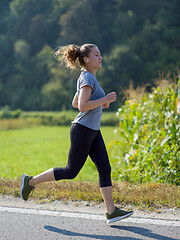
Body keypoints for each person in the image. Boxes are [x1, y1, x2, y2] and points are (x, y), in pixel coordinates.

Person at [20, 43, 133, 223]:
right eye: (97, 55)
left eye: (100, 54)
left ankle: (111, 211)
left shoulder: (87, 77)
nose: (101, 57)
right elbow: (81, 106)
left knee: (105, 168)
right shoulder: (87, 77)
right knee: (71, 171)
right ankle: (30, 182)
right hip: (83, 130)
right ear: (86, 59)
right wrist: (104, 99)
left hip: (92, 130)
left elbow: (75, 103)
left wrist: (99, 103)